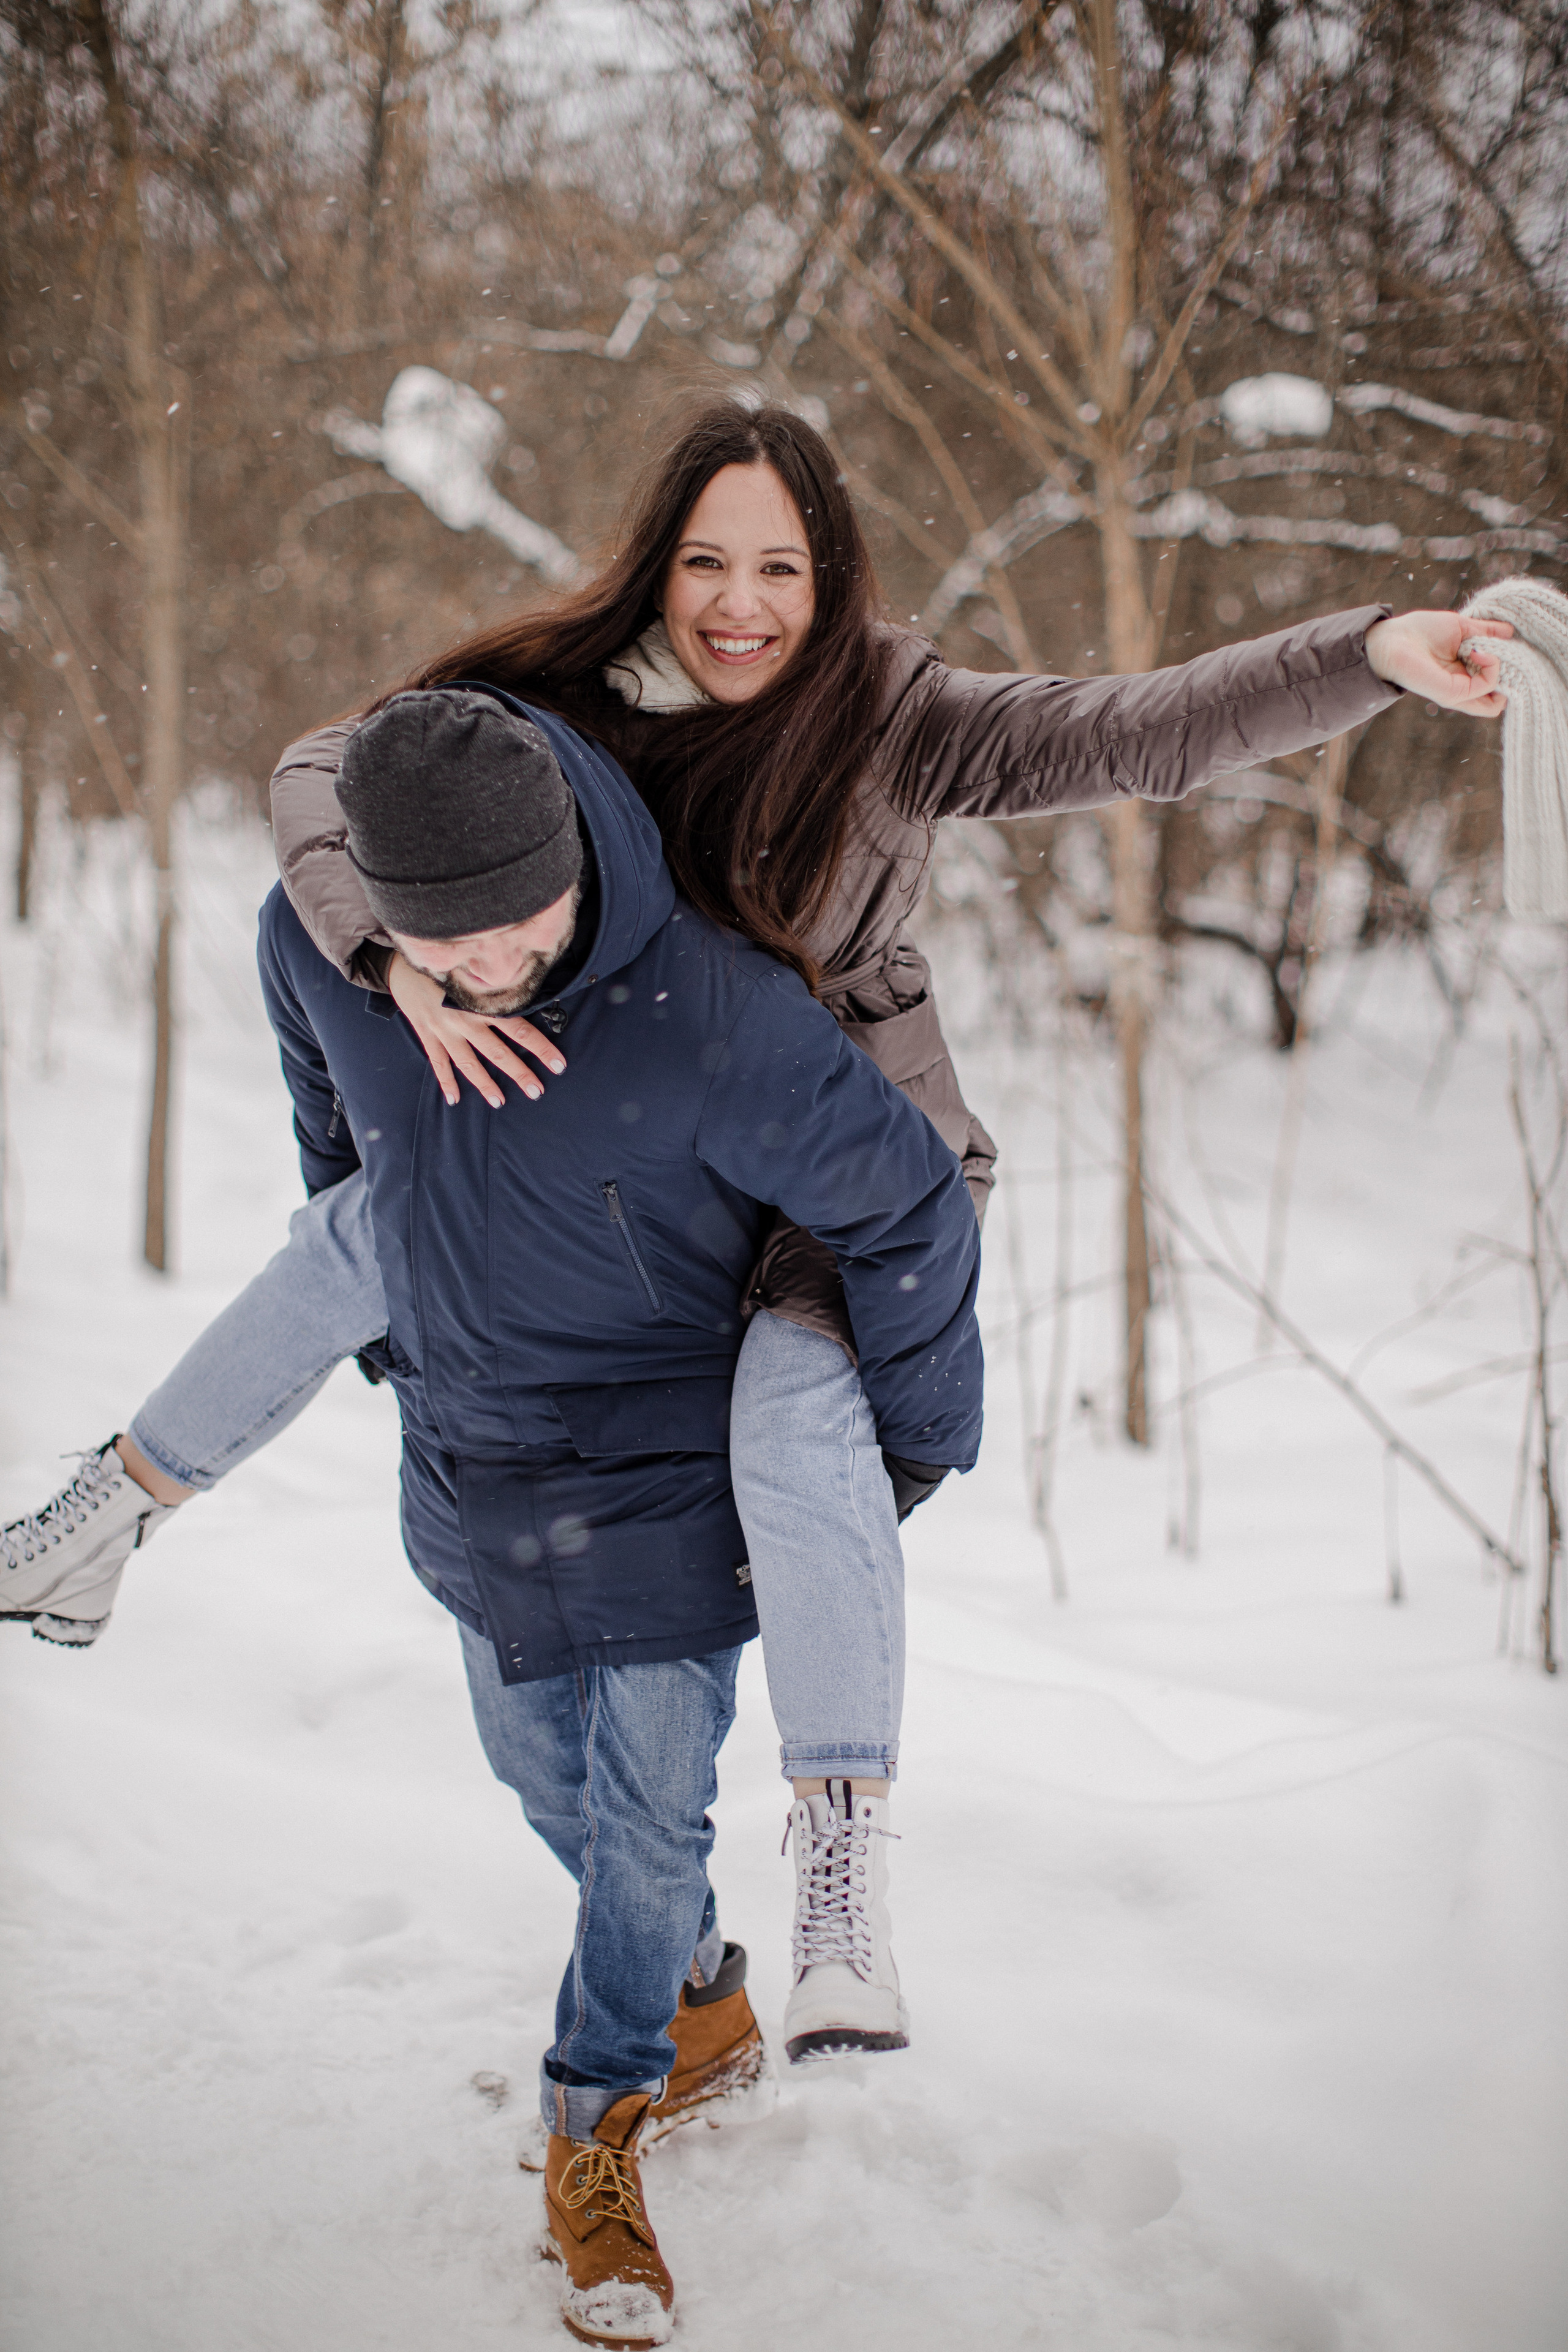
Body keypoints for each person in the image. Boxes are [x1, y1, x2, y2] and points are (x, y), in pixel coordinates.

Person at [1, 396, 1511, 2051]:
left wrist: (1376, 649)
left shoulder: (899, 720)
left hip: (833, 1166)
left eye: (780, 567)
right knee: (364, 1234)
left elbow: (1135, 728)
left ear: (830, 575)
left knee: (795, 1409)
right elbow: (321, 770)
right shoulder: (558, 699)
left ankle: (844, 1860)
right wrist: (393, 958)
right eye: (708, 561)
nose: (741, 603)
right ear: (657, 568)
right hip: (605, 1141)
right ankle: (109, 1515)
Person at [258, 680, 982, 2345]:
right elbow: (336, 1128)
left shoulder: (710, 1015)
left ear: (577, 849)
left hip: (667, 1478)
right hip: (477, 1460)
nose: (496, 967)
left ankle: (594, 2124)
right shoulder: (335, 955)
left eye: (527, 924)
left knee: (647, 1823)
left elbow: (913, 1213)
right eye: (455, 948)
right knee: (552, 1786)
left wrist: (909, 1445)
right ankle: (699, 2005)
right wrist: (394, 1317)